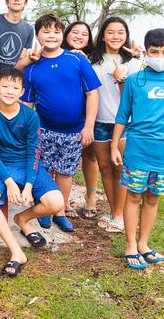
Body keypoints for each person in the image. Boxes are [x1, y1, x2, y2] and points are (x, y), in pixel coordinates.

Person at [111, 28, 164, 269]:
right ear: (146, 52)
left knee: (153, 198)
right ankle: (131, 245)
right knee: (133, 197)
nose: (160, 57)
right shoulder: (135, 80)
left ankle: (144, 244)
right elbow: (123, 115)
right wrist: (115, 145)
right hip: (137, 150)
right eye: (154, 52)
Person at [0, 68, 65, 277]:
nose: (9, 91)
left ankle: (23, 219)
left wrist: (28, 186)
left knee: (56, 202)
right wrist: (8, 182)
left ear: (22, 91)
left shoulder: (30, 116)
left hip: (27, 163)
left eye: (15, 87)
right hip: (2, 166)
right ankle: (16, 251)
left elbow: (33, 152)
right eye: (5, 86)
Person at [21, 13, 101, 233]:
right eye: (46, 31)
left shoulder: (76, 60)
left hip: (74, 131)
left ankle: (60, 211)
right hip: (44, 130)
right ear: (37, 35)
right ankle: (44, 208)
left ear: (62, 35)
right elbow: (27, 103)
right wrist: (29, 132)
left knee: (65, 173)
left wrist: (89, 126)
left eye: (56, 31)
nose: (51, 36)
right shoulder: (33, 67)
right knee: (43, 170)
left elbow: (93, 93)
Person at [89, 17, 144, 233]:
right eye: (111, 32)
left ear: (126, 35)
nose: (116, 36)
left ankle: (119, 215)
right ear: (103, 35)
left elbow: (135, 96)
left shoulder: (133, 61)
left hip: (123, 124)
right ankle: (114, 212)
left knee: (120, 169)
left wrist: (122, 78)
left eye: (121, 32)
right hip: (99, 121)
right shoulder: (92, 60)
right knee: (105, 169)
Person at [60, 21, 101, 222]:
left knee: (89, 155)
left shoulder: (94, 58)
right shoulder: (57, 53)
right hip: (66, 115)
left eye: (84, 33)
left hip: (90, 113)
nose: (79, 36)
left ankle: (91, 196)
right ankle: (62, 201)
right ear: (66, 34)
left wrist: (138, 56)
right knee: (61, 160)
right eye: (74, 32)